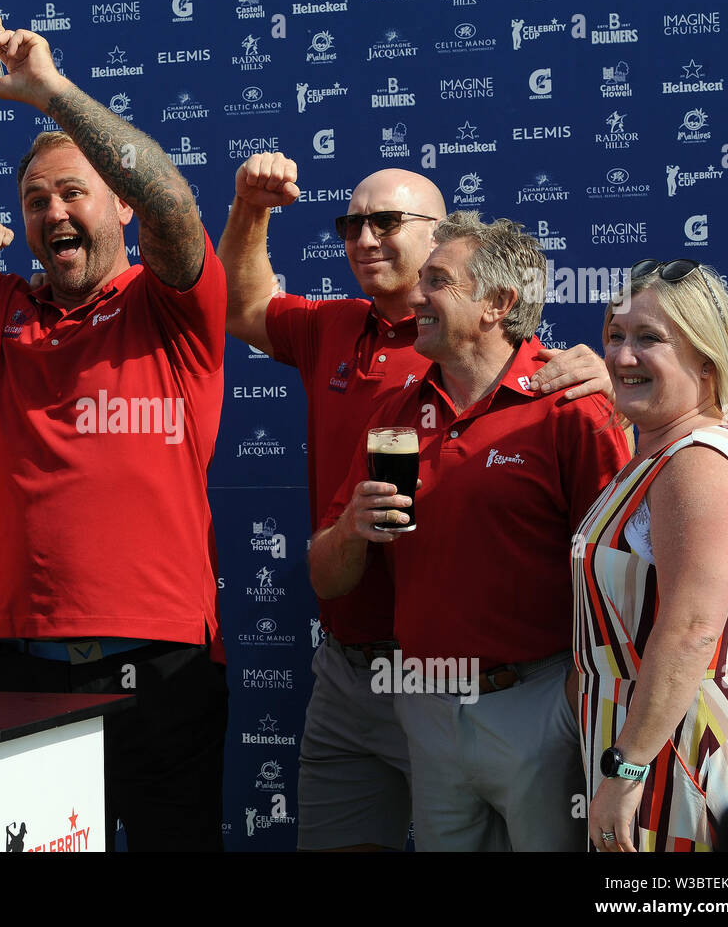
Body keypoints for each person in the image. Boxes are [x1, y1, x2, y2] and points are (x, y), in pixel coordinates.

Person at [0, 9, 229, 851]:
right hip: (25, 665)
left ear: (120, 207)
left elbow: (174, 203)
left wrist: (53, 94)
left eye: (75, 194)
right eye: (37, 201)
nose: (55, 213)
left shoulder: (172, 304)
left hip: (164, 666)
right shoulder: (1, 310)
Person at [217, 156, 610, 851]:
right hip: (359, 672)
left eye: (386, 221)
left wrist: (618, 385)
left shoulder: (556, 393)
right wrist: (251, 207)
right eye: (350, 223)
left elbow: (615, 561)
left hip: (497, 684)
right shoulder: (343, 337)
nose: (363, 238)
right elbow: (238, 307)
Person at [307, 212, 630, 851]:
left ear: (498, 304)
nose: (417, 297)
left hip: (539, 702)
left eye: (438, 281)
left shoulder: (572, 407)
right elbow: (327, 575)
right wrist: (351, 529)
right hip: (426, 706)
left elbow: (618, 575)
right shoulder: (393, 413)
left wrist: (568, 702)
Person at [574, 259, 728, 852]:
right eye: (614, 335)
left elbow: (691, 630)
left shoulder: (699, 463)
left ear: (707, 361)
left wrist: (626, 773)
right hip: (646, 739)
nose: (621, 357)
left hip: (688, 748)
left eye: (649, 339)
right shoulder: (659, 455)